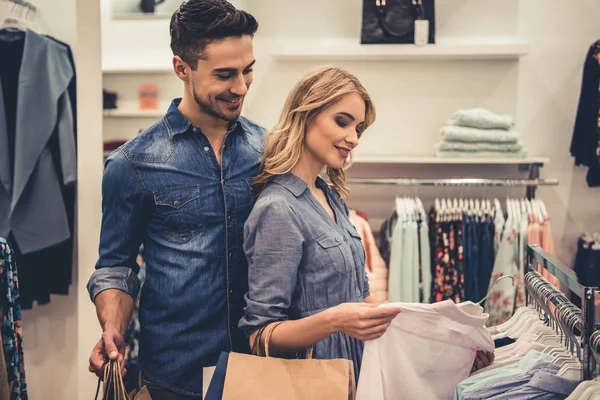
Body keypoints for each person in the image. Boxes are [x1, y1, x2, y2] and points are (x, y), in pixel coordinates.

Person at [238, 66, 495, 382]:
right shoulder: (278, 208)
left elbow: (362, 308)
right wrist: (335, 320)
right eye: (342, 122)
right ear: (305, 115)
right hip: (313, 382)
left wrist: (451, 349)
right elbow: (260, 335)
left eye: (358, 128)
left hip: (358, 371)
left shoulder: (330, 197)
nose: (353, 138)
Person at [86, 1, 264, 398]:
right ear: (182, 68)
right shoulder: (132, 164)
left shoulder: (269, 151)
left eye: (247, 69)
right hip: (175, 374)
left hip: (260, 366)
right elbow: (115, 265)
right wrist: (112, 328)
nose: (240, 87)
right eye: (224, 74)